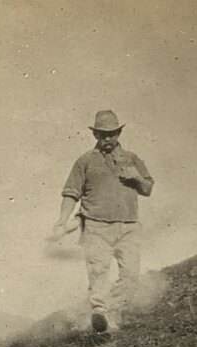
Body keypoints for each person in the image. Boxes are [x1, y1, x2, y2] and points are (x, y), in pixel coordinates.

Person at [51, 110, 154, 333]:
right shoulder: (85, 161)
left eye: (111, 134)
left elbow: (147, 189)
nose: (107, 139)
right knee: (98, 274)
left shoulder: (133, 159)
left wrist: (136, 177)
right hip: (96, 226)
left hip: (128, 226)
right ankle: (100, 312)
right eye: (102, 135)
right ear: (95, 135)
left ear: (118, 133)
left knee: (130, 280)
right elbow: (71, 192)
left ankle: (110, 313)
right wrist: (62, 220)